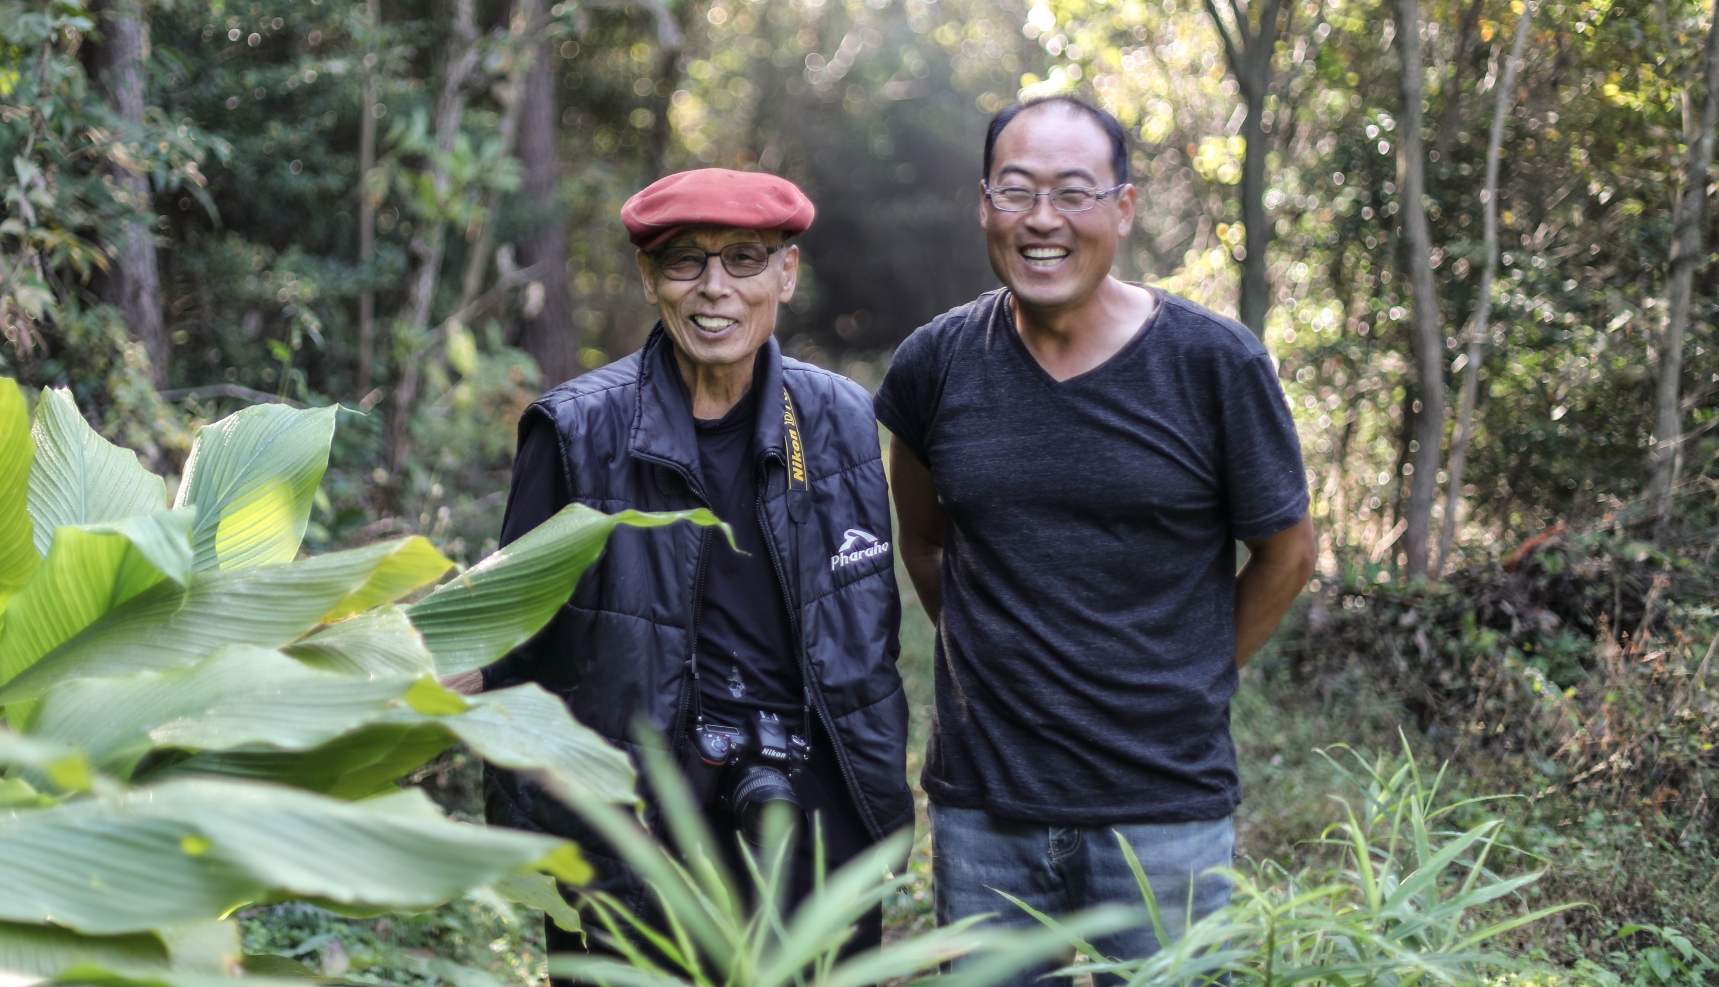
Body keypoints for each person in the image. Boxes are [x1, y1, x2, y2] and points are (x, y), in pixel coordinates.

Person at [874, 92, 1316, 981]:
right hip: (986, 802)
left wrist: (1201, 673)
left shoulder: (1214, 364)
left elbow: (1288, 551)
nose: (1044, 220)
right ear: (985, 205)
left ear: (1122, 207)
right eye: (1017, 190)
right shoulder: (935, 364)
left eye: (1074, 192)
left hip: (1163, 804)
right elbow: (921, 541)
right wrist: (984, 654)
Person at [472, 167, 913, 962]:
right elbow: (501, 640)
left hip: (816, 822)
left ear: (787, 271)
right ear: (648, 277)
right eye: (686, 261)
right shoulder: (574, 433)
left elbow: (865, 641)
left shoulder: (841, 419)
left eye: (744, 258)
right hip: (634, 836)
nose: (716, 289)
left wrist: (875, 823)